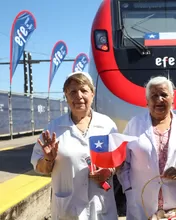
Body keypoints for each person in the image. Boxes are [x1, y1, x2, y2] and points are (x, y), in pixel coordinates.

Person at [30, 71, 118, 220]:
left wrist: (109, 171)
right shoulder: (53, 129)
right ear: (66, 96)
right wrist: (48, 160)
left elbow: (118, 159)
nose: (79, 96)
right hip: (68, 209)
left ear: (92, 94)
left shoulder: (107, 125)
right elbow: (39, 167)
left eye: (84, 90)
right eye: (72, 92)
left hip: (101, 206)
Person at [117, 76, 176, 220]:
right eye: (154, 96)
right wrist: (129, 189)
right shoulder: (134, 124)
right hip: (142, 203)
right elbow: (123, 163)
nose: (159, 100)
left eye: (164, 95)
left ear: (172, 98)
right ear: (147, 101)